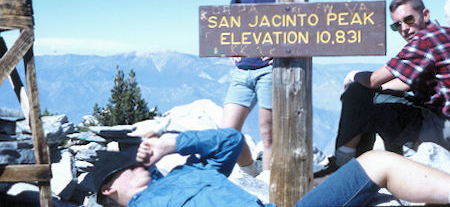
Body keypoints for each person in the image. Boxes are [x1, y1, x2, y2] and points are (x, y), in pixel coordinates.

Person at [88, 128, 450, 207]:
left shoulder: (186, 171)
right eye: (129, 164)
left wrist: (171, 144)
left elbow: (231, 141)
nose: (140, 162)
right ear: (108, 187)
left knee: (376, 161)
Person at [318, 0, 450, 175]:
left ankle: (345, 166)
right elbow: (405, 83)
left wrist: (352, 76)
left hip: (442, 128)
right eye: (397, 25)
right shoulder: (443, 34)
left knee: (360, 94)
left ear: (425, 14)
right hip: (443, 122)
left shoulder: (423, 41)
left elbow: (372, 80)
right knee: (369, 98)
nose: (404, 28)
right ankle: (363, 163)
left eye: (409, 20)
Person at [221, 0, 280, 176]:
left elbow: (301, 27)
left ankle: (266, 191)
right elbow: (229, 23)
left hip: (269, 70)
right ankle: (251, 176)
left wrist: (283, 51)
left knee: (269, 137)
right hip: (242, 69)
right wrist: (231, 48)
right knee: (227, 134)